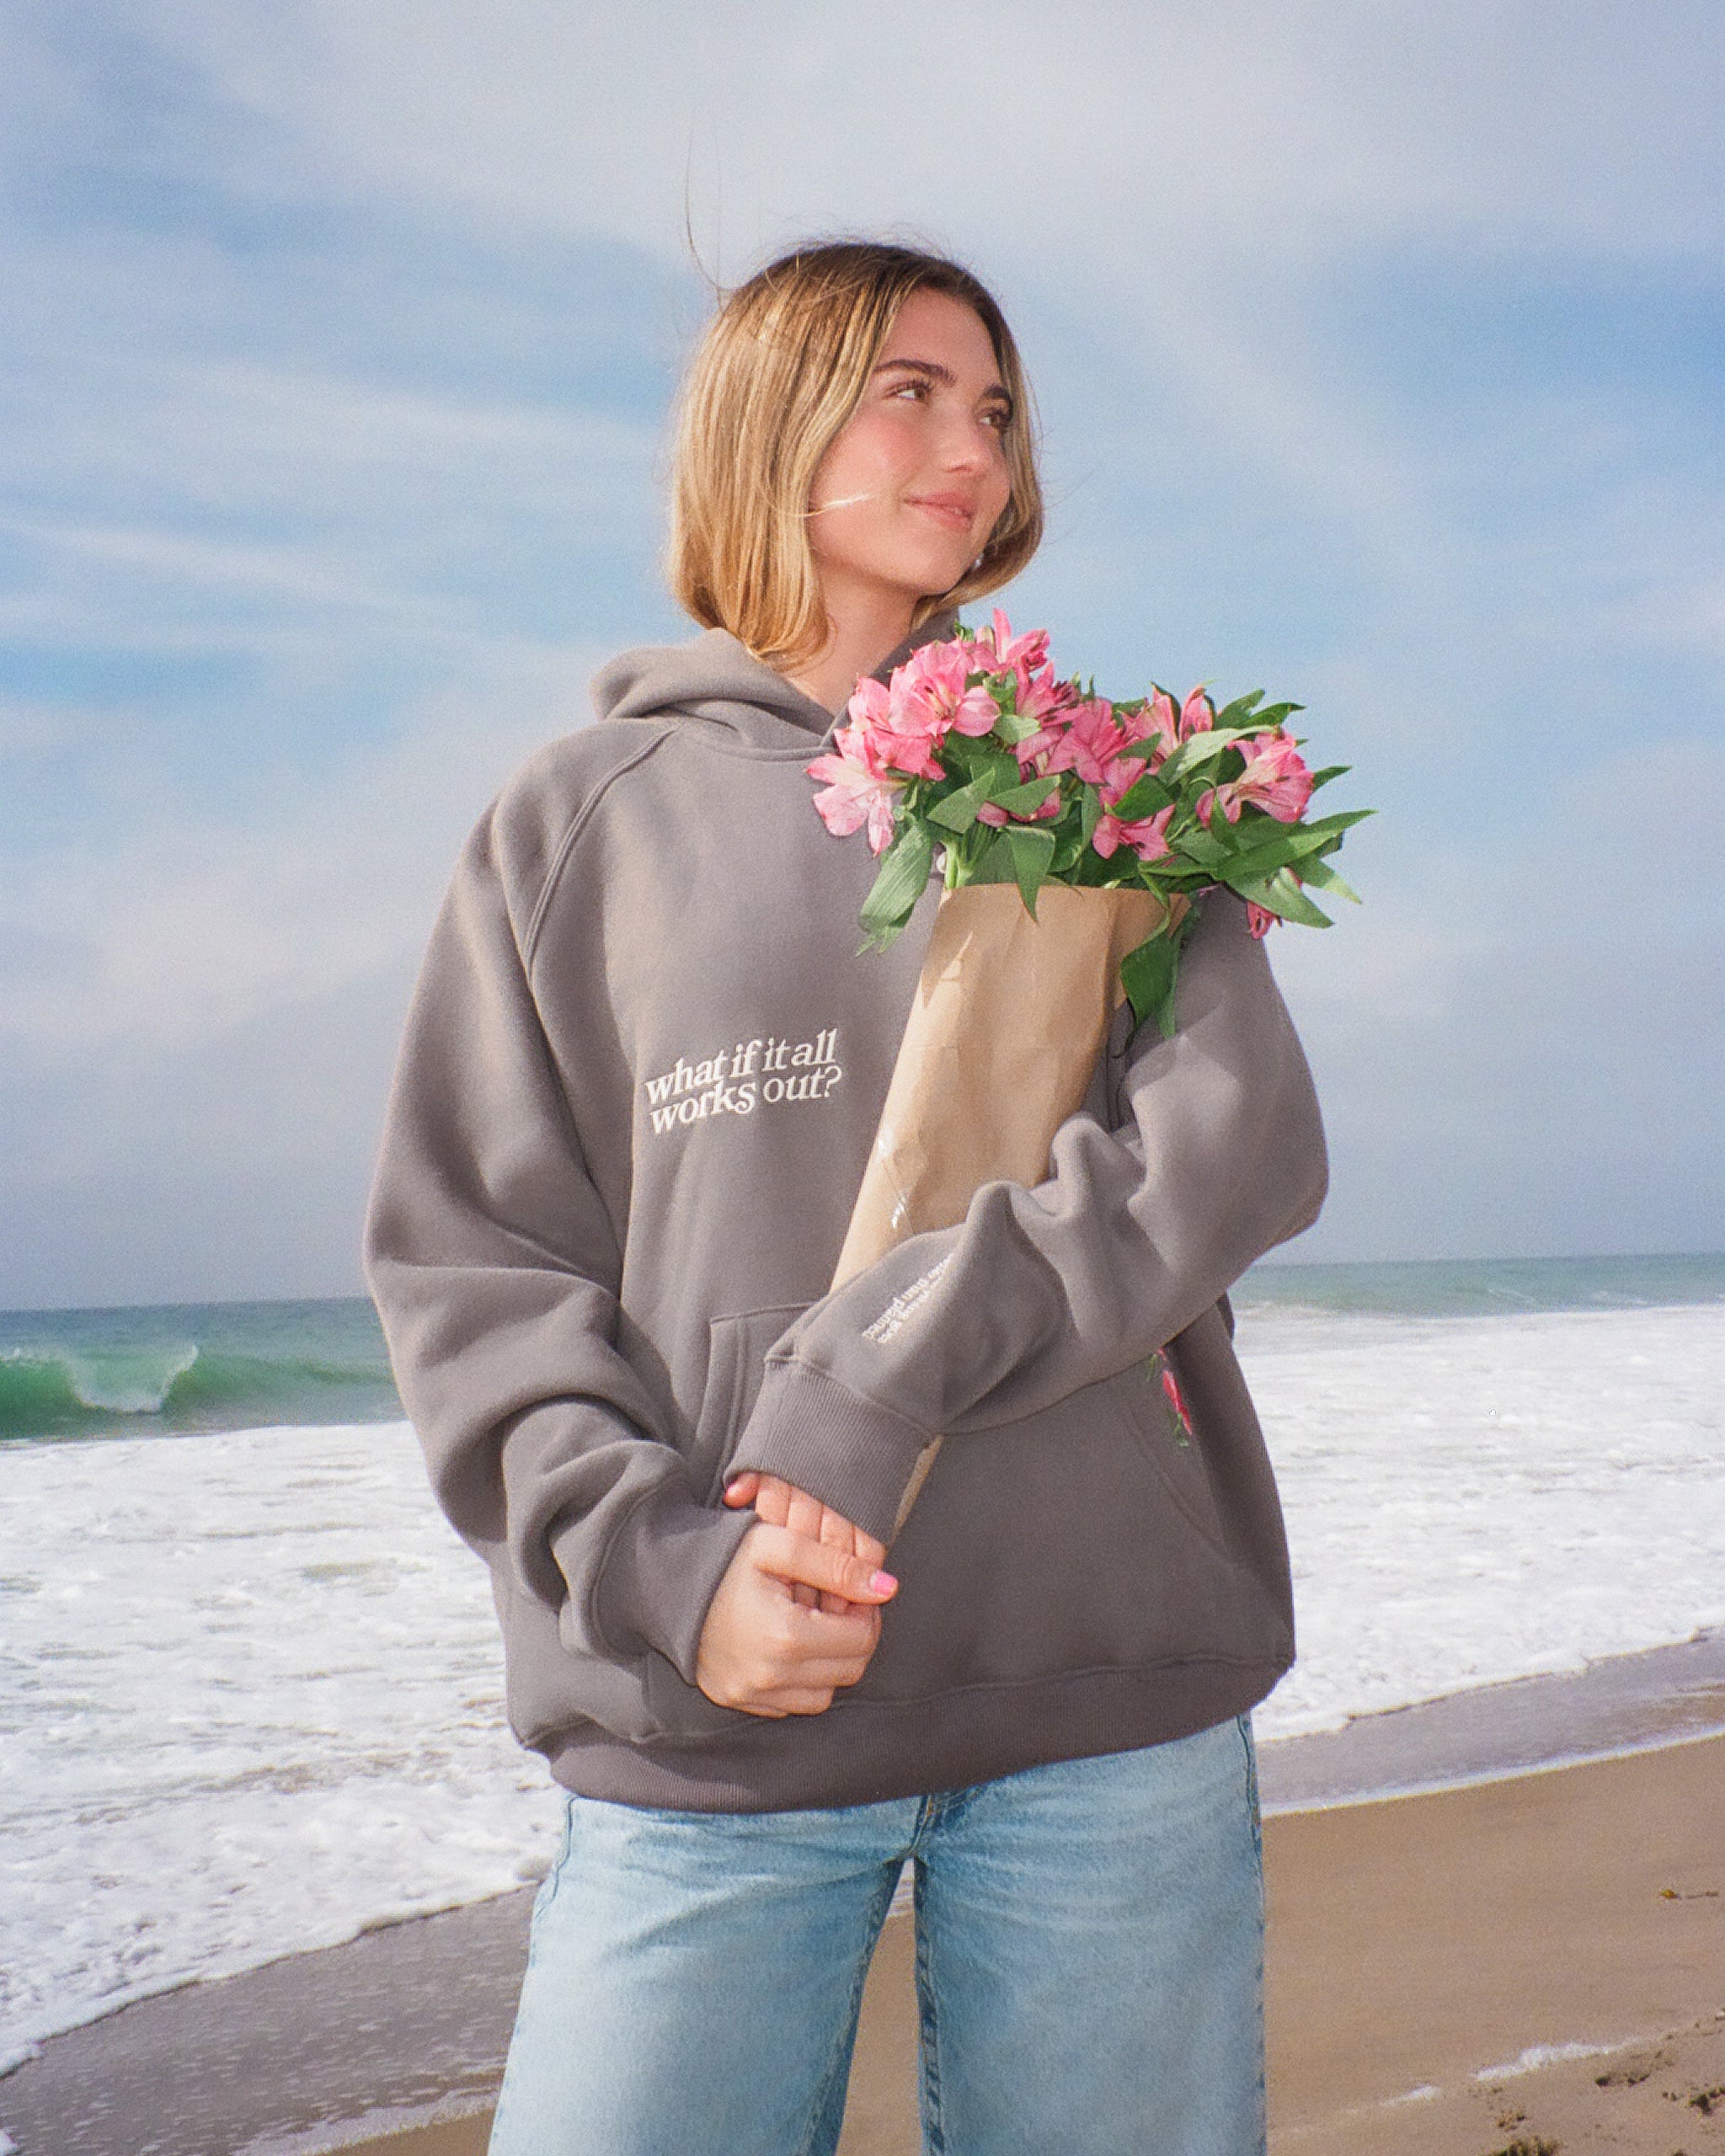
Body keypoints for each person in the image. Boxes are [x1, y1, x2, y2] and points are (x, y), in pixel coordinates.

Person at [365, 238, 1327, 2156]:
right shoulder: (573, 821)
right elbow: (477, 1265)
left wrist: (866, 1377)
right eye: (909, 388)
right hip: (717, 1710)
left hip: (1104, 1694)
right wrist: (665, 1574)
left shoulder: (1114, 793)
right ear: (769, 417)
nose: (967, 441)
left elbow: (1224, 1146)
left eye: (992, 407)